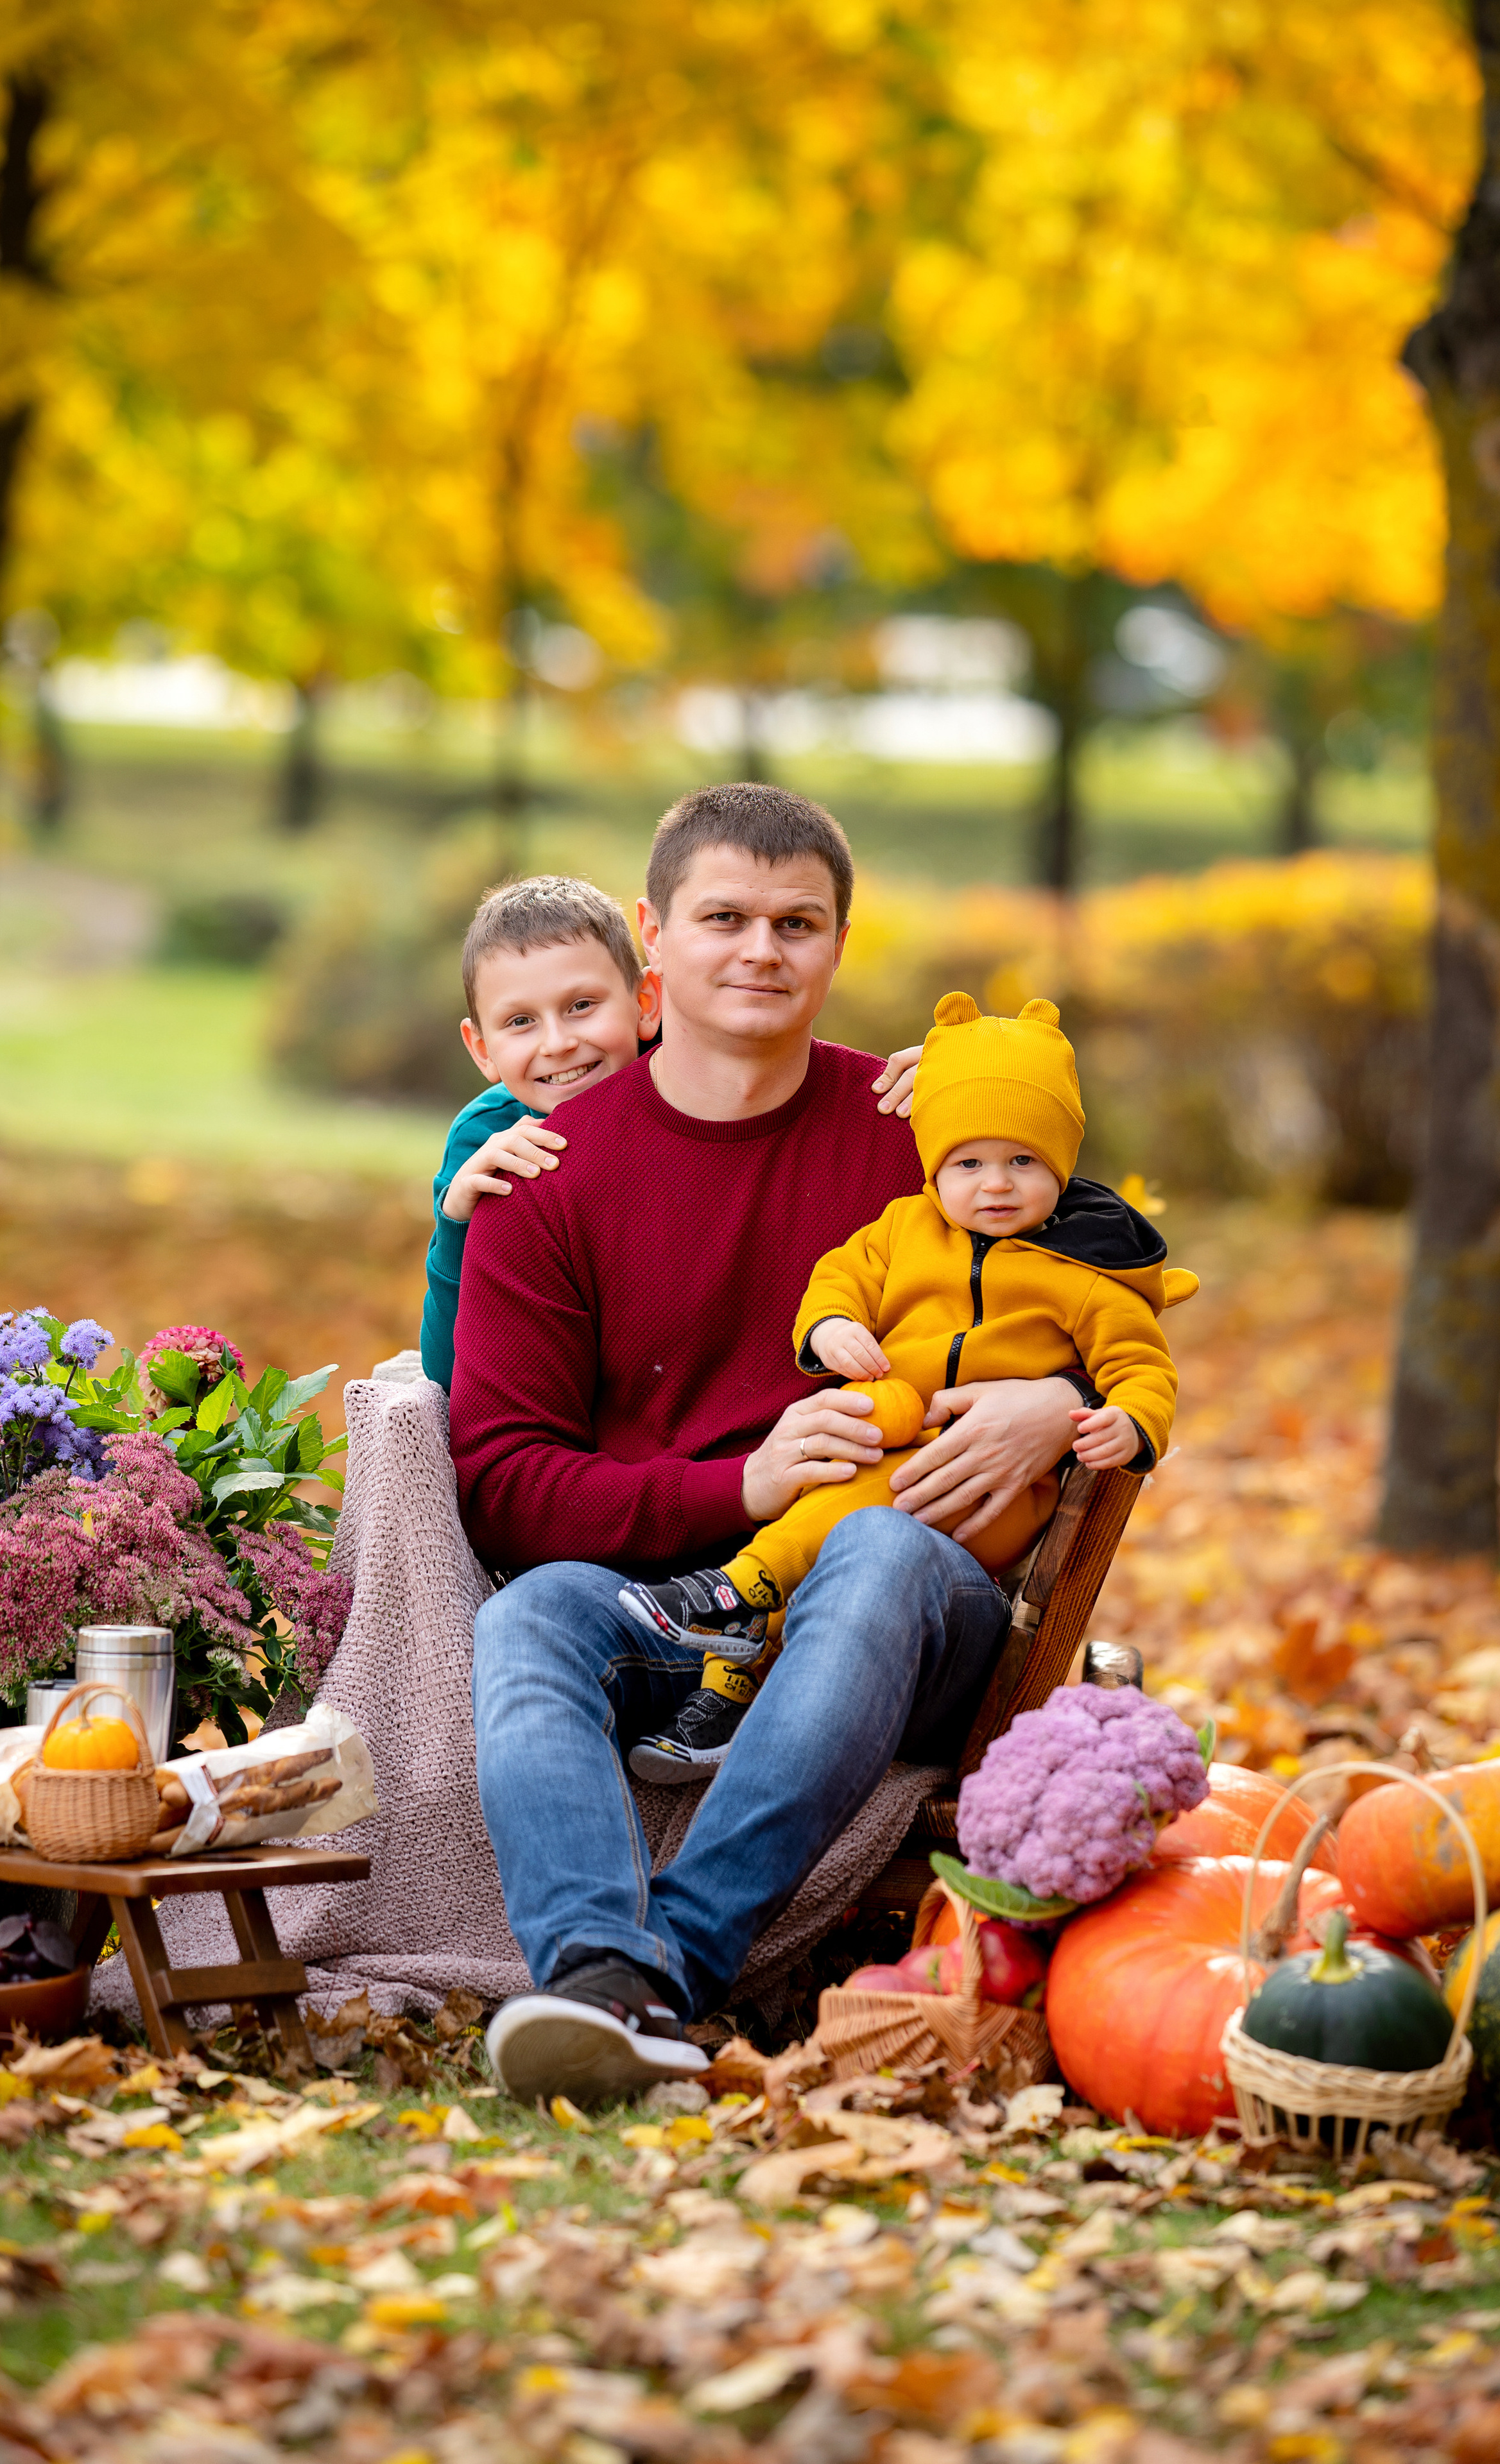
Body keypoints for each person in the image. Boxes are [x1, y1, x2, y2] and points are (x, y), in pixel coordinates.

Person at [448, 783, 1096, 2102]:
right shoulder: (546, 1174)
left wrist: (1055, 1401)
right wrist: (732, 1486)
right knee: (532, 1622)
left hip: (907, 1608)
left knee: (874, 1550)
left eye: (795, 923)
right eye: (724, 917)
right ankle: (594, 1972)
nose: (759, 950)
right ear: (652, 938)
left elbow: (1113, 1292)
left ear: (837, 947)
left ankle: (659, 1975)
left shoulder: (920, 1141)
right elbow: (504, 1485)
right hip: (675, 1603)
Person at [623, 991, 1197, 1780]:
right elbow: (838, 1278)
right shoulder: (903, 1229)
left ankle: (736, 1585)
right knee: (842, 1446)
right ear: (935, 1164)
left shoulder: (1083, 1278)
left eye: (1022, 1161)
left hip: (989, 1490)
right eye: (968, 1163)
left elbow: (1143, 1365)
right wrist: (828, 1330)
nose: (994, 1184)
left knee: (855, 1496)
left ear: (1060, 1165)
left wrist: (1131, 1422)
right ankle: (723, 1697)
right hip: (892, 1436)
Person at [417, 876, 661, 1390]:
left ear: (645, 1002)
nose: (557, 1043)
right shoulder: (484, 1140)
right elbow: (448, 1372)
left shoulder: (688, 1081)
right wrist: (458, 1218)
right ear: (482, 1048)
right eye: (522, 1021)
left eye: (581, 1006)